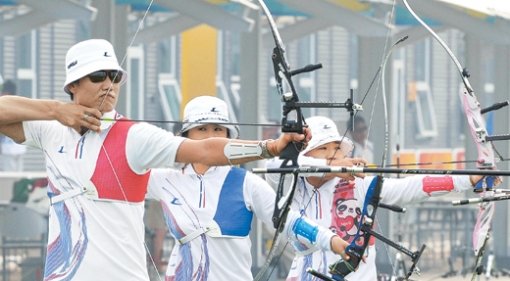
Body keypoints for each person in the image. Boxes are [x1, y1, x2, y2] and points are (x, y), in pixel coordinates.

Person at [0, 39, 311, 281]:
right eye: (97, 76)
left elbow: (204, 151)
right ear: (73, 85)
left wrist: (271, 146)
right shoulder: (51, 130)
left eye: (115, 76)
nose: (109, 85)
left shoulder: (135, 136)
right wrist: (56, 111)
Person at [146, 96, 361, 280]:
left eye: (218, 129)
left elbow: (287, 219)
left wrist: (329, 240)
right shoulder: (165, 180)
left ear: (230, 138)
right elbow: (119, 175)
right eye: (201, 129)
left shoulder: (245, 182)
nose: (210, 136)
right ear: (185, 138)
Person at [266, 116, 490, 281]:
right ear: (306, 154)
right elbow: (273, 164)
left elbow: (412, 187)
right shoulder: (291, 185)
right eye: (323, 148)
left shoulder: (358, 184)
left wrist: (467, 180)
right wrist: (331, 166)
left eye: (337, 147)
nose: (333, 153)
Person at [0, 80, 27, 171]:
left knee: (9, 178)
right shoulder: (19, 103)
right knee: (18, 176)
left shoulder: (6, 105)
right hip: (20, 147)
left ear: (6, 92)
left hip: (9, 148)